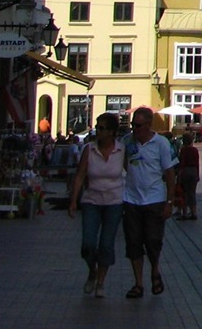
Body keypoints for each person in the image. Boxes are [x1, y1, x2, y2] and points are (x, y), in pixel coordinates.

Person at [68, 111, 126, 298]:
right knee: (88, 244)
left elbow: (133, 171)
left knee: (106, 244)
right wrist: (73, 201)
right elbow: (80, 176)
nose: (97, 131)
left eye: (101, 128)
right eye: (97, 127)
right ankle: (92, 271)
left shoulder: (121, 150)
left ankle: (100, 281)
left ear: (111, 132)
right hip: (91, 200)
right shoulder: (89, 149)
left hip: (114, 202)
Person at [121, 107, 177, 299]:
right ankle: (138, 283)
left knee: (153, 240)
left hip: (155, 199)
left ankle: (155, 269)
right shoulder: (127, 142)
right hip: (131, 199)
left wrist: (170, 201)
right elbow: (123, 164)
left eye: (137, 125)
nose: (134, 129)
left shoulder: (161, 143)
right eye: (132, 125)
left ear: (148, 125)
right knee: (133, 242)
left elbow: (170, 173)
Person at [176, 136, 200, 219]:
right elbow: (197, 163)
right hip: (193, 171)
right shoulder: (195, 150)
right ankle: (194, 213)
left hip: (185, 171)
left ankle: (184, 214)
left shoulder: (183, 150)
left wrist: (179, 174)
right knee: (192, 193)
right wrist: (197, 174)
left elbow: (182, 162)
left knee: (184, 193)